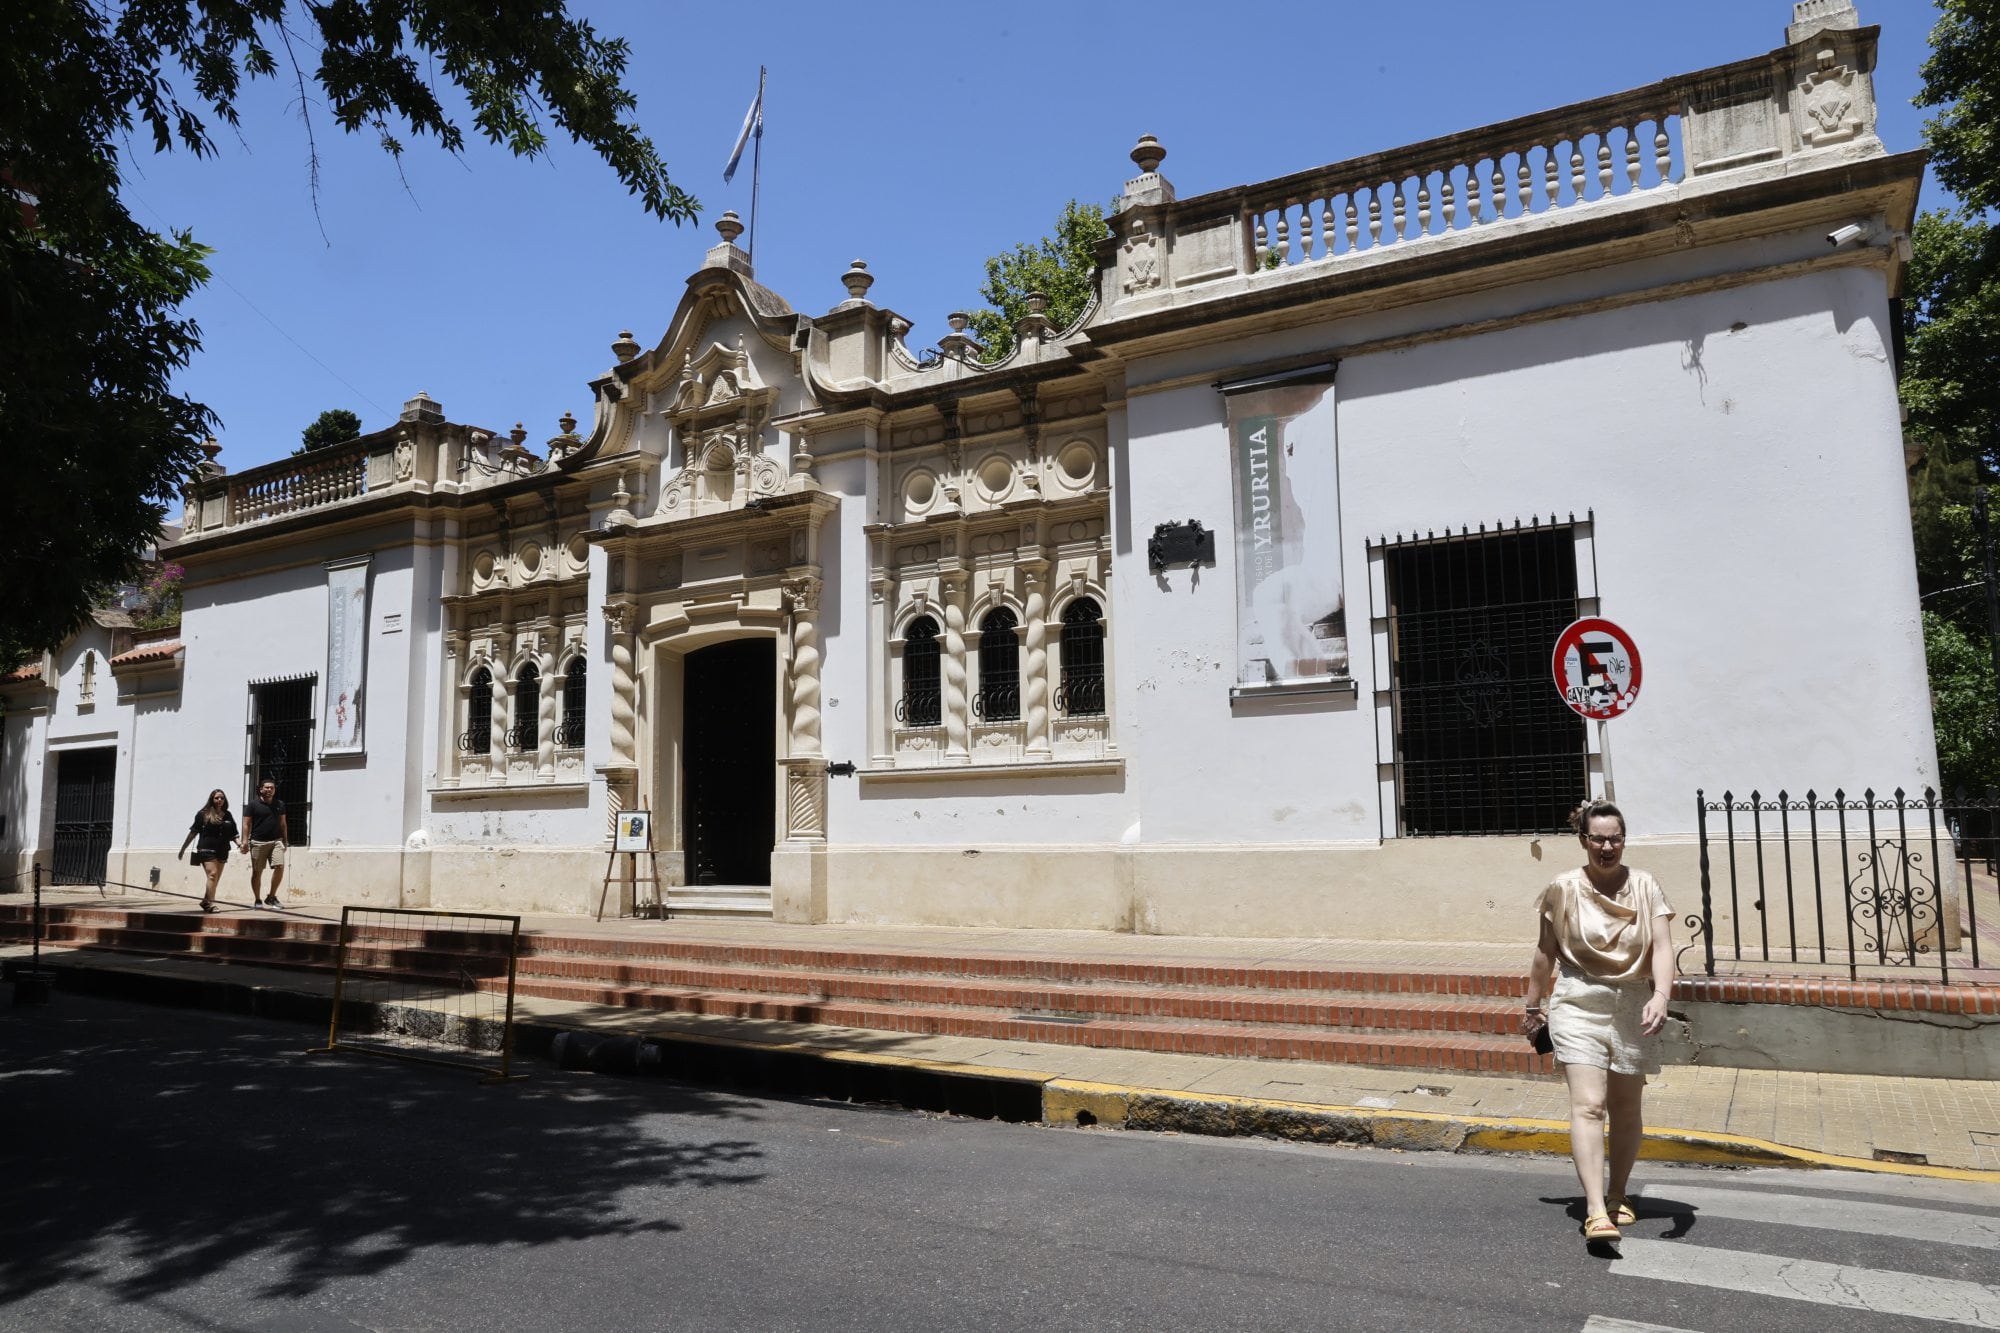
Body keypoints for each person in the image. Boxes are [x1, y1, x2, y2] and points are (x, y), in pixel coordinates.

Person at [1522, 798, 1675, 1246]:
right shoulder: (1563, 887)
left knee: (1626, 1108)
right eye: (1598, 839)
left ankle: (1617, 1193)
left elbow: (1663, 947)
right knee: (1589, 1104)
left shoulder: (1646, 885)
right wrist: (1534, 1007)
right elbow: (1544, 952)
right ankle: (1594, 1211)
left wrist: (1661, 995)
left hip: (1633, 1003)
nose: (1607, 847)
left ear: (1624, 839)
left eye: (1615, 838)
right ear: (1583, 840)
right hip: (1577, 1001)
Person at [177, 788, 240, 914]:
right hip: (206, 849)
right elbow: (193, 832)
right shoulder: (203, 814)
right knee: (212, 874)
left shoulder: (228, 815)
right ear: (212, 799)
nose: (219, 800)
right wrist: (183, 848)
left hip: (222, 850)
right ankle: (211, 903)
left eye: (222, 798)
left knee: (215, 878)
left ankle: (205, 901)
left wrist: (240, 845)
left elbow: (233, 833)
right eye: (216, 798)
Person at [239, 777, 289, 908]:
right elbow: (246, 823)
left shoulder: (280, 804)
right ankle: (257, 899)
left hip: (276, 841)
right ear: (261, 789)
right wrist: (244, 841)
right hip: (257, 842)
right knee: (257, 872)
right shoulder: (252, 805)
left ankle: (271, 897)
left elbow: (283, 824)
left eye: (272, 788)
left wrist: (285, 840)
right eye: (266, 787)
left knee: (280, 866)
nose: (269, 790)